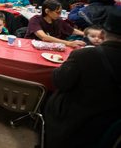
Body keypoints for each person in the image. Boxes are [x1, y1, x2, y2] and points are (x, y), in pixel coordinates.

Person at [44, 9, 121, 148]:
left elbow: (60, 82)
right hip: (112, 126)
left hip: (73, 121)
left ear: (102, 34)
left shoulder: (85, 55)